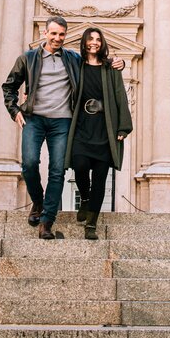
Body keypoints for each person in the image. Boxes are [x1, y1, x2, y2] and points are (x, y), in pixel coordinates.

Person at [2, 16, 124, 239]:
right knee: (29, 164)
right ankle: (38, 202)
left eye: (61, 34)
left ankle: (47, 221)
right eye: (53, 33)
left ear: (65, 36)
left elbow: (95, 60)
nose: (57, 38)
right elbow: (9, 86)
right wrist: (15, 111)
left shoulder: (72, 59)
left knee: (58, 170)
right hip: (34, 118)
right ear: (45, 33)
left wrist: (118, 62)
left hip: (63, 121)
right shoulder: (28, 59)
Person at [65, 27, 132, 240]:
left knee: (101, 179)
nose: (94, 42)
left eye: (97, 39)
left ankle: (91, 224)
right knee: (81, 165)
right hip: (82, 126)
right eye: (90, 39)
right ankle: (84, 198)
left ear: (102, 43)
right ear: (84, 42)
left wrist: (123, 127)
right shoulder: (76, 66)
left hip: (105, 128)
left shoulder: (110, 67)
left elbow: (120, 95)